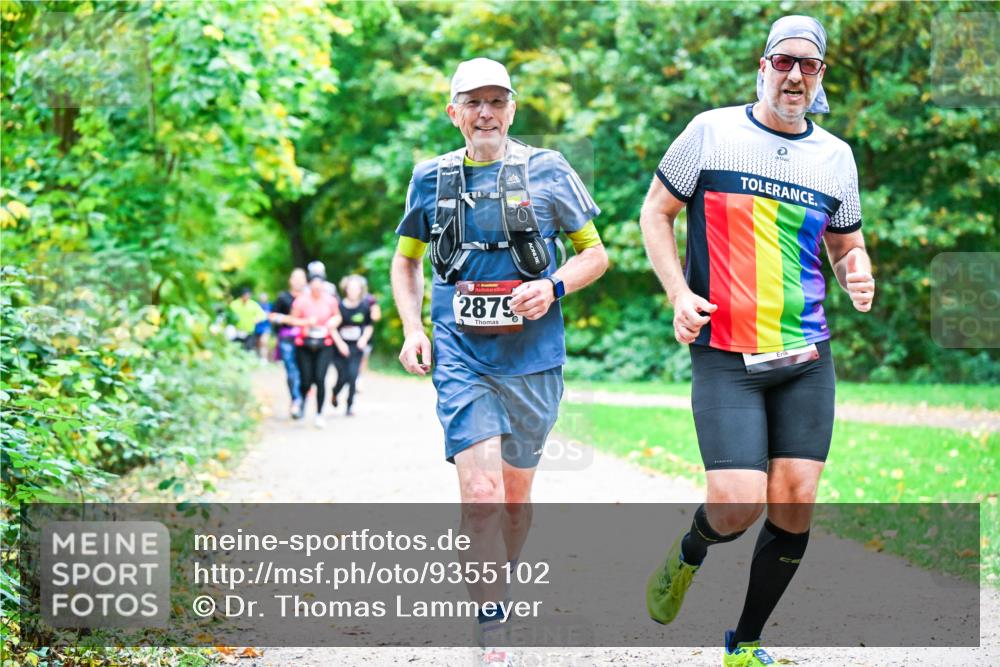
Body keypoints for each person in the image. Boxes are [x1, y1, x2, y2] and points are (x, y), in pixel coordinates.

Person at [639, 15, 875, 666]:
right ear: (762, 65)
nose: (794, 74)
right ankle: (689, 551)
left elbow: (845, 241)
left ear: (820, 77)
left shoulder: (835, 157)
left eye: (809, 65)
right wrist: (678, 294)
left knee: (797, 497)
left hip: (805, 352)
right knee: (739, 500)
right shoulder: (710, 133)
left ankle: (744, 642)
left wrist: (858, 271)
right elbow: (655, 211)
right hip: (726, 351)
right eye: (783, 61)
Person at [390, 57, 608, 666]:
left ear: (513, 109)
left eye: (497, 101)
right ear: (453, 112)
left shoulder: (549, 170)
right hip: (461, 352)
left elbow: (595, 255)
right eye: (474, 102)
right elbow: (405, 260)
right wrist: (413, 328)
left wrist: (554, 287)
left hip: (534, 354)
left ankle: (497, 584)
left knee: (513, 500)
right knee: (480, 492)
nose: (486, 112)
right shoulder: (429, 179)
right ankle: (493, 625)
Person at [289, 271, 347, 429]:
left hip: (324, 344)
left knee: (320, 378)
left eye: (319, 288)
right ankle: (301, 406)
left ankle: (320, 414)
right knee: (306, 379)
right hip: (304, 344)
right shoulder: (301, 301)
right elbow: (292, 320)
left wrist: (332, 322)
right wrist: (306, 323)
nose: (317, 290)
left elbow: (338, 317)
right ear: (309, 287)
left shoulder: (330, 300)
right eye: (314, 288)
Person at [330, 274, 374, 416]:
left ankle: (349, 406)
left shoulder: (364, 306)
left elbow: (369, 325)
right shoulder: (339, 306)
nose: (353, 291)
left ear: (360, 290)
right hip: (340, 347)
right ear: (346, 289)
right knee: (343, 376)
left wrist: (363, 339)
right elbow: (333, 328)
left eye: (356, 289)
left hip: (357, 346)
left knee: (353, 376)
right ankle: (335, 392)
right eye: (350, 288)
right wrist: (341, 344)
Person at [270, 268, 307, 419]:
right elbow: (272, 316)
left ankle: (301, 401)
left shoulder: (309, 298)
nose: (298, 281)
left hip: (306, 339)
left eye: (301, 278)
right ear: (290, 280)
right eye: (295, 278)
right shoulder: (282, 298)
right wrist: (287, 320)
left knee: (306, 373)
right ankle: (296, 400)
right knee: (292, 370)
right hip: (287, 339)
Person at [228, 287, 266, 352]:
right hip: (237, 332)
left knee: (248, 351)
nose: (247, 297)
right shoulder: (234, 304)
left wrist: (258, 318)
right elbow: (228, 315)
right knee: (236, 350)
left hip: (249, 332)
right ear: (242, 295)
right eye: (245, 295)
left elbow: (263, 315)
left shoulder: (253, 304)